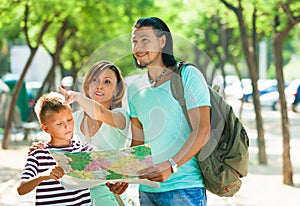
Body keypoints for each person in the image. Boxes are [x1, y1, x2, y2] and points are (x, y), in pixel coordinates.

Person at [108, 17, 211, 206]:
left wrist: (172, 165)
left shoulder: (188, 75)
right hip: (147, 190)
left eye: (145, 40)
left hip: (184, 188)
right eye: (134, 41)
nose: (138, 47)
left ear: (162, 41)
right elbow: (138, 143)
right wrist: (124, 175)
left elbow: (202, 130)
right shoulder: (135, 89)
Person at [29, 61, 131, 205]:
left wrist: (78, 97)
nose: (99, 85)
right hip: (78, 198)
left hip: (110, 199)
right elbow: (62, 148)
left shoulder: (120, 116)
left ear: (116, 90)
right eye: (95, 80)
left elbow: (100, 113)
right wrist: (43, 150)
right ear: (88, 84)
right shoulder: (74, 118)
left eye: (107, 81)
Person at [17, 92, 93, 205]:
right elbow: (21, 189)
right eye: (59, 123)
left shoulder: (84, 150)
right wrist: (43, 176)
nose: (67, 126)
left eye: (69, 119)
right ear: (45, 128)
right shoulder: (39, 154)